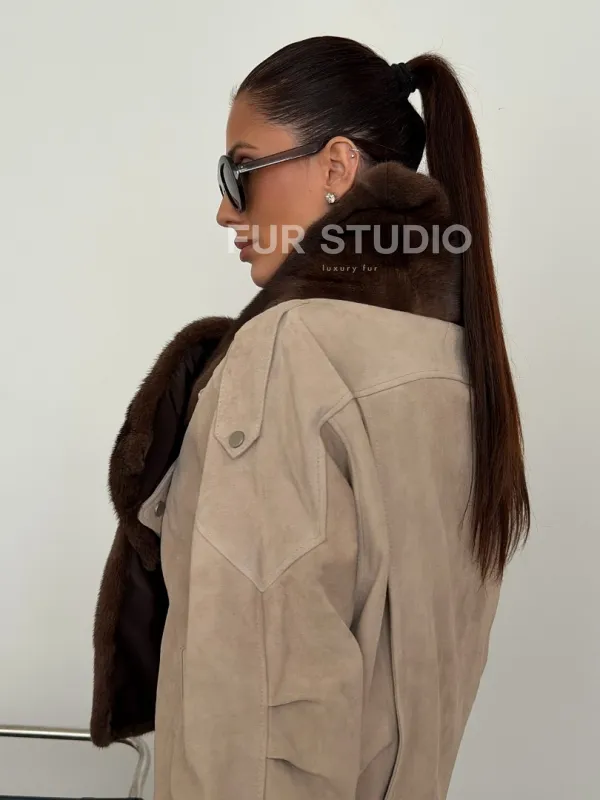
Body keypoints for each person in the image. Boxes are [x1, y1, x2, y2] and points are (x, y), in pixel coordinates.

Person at [90, 35, 530, 800]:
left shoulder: (286, 355)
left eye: (240, 171)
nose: (225, 208)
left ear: (335, 167)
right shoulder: (456, 360)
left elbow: (257, 717)